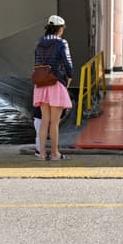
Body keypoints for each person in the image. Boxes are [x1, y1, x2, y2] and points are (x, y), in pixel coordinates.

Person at [33, 14, 74, 161]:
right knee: (55, 123)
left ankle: (42, 154)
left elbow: (36, 62)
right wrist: (69, 77)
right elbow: (68, 63)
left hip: (42, 84)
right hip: (55, 83)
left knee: (45, 121)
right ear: (60, 29)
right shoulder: (62, 43)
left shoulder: (39, 43)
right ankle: (55, 153)